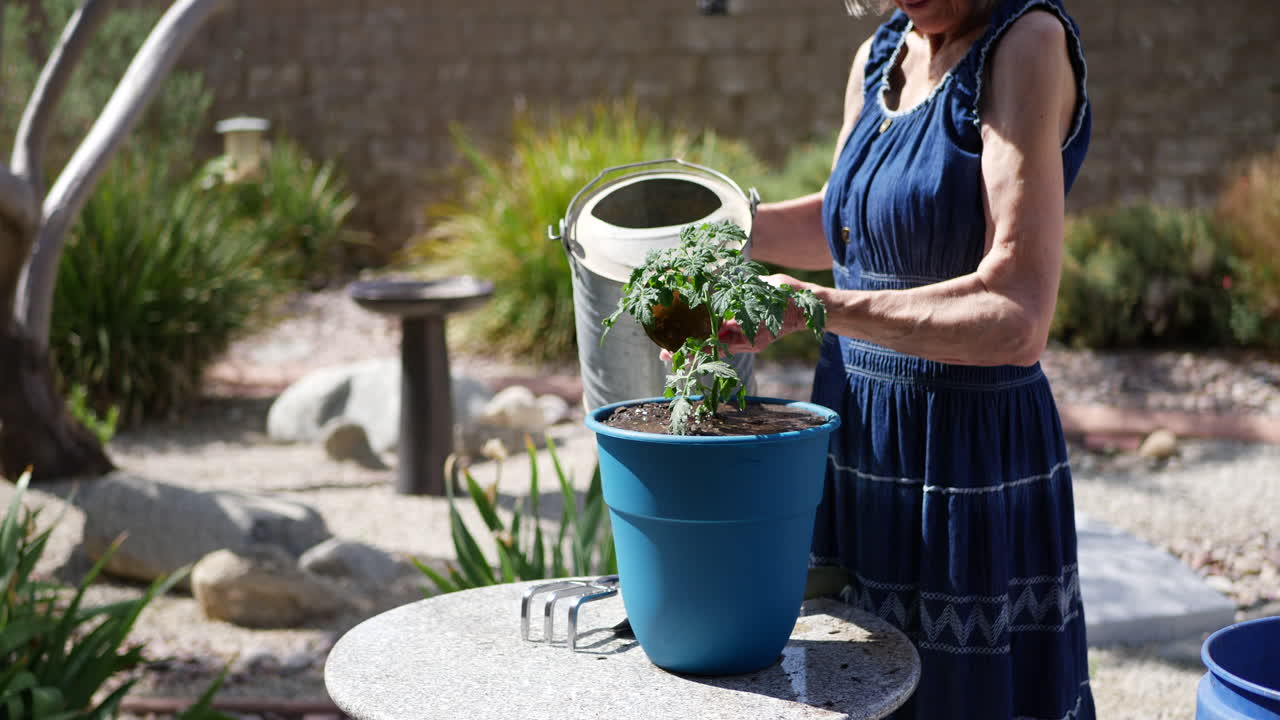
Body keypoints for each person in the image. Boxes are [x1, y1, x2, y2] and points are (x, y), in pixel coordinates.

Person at [720, 0, 1095, 717]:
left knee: (958, 698)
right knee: (851, 691)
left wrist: (815, 307)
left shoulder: (1024, 46)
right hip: (859, 437)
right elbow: (848, 226)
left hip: (964, 453)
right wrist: (705, 221)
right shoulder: (881, 52)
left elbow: (1017, 313)